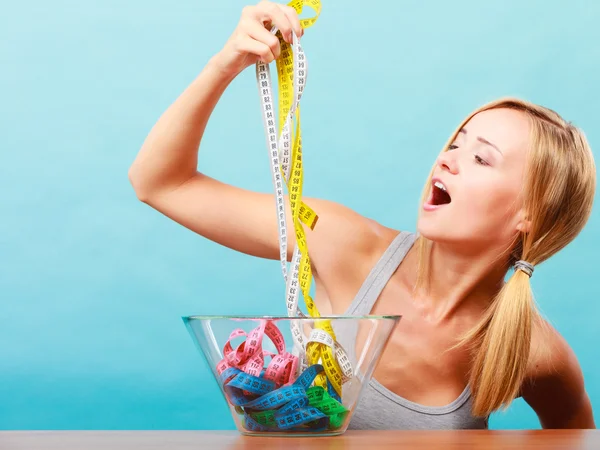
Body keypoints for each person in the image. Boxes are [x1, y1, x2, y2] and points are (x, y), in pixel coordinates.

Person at [128, 0, 597, 429]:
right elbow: (161, 183)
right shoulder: (341, 242)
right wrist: (226, 62)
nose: (446, 159)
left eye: (481, 158)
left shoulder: (527, 347)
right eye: (456, 142)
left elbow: (575, 424)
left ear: (528, 217)